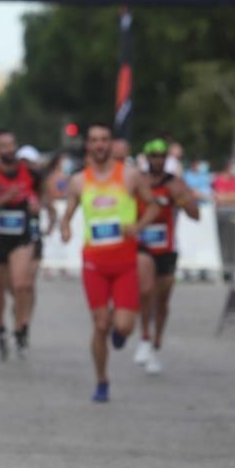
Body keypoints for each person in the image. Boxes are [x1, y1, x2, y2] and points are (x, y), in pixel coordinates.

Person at [60, 123, 160, 402]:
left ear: (111, 144)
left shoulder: (130, 176)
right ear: (89, 146)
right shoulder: (79, 180)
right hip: (94, 262)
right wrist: (65, 228)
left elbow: (153, 205)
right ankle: (102, 380)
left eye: (104, 140)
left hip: (125, 262)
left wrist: (139, 226)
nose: (100, 145)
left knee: (124, 326)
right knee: (100, 324)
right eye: (94, 140)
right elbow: (68, 213)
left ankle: (121, 330)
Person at [0, 130, 53, 360]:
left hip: (22, 237)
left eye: (11, 145)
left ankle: (21, 327)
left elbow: (43, 197)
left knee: (22, 285)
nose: (8, 149)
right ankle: (1, 327)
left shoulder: (31, 173)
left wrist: (37, 206)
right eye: (3, 146)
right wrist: (4, 198)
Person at [133, 139, 199, 374]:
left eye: (162, 156)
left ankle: (156, 342)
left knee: (162, 299)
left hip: (168, 247)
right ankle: (144, 336)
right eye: (153, 156)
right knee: (146, 291)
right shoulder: (138, 181)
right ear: (147, 158)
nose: (157, 160)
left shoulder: (175, 183)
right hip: (143, 245)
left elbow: (195, 214)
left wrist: (180, 199)